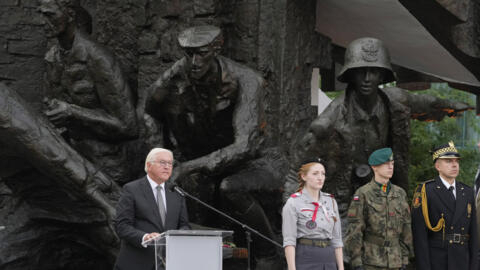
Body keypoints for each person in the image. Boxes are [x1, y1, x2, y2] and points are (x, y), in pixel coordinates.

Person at [285, 37, 472, 217]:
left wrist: (451, 105)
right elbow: (295, 172)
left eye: (373, 72)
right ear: (351, 75)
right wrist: (293, 215)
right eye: (360, 72)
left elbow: (426, 103)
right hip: (342, 204)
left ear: (382, 75)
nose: (367, 78)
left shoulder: (396, 102)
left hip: (385, 199)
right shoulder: (327, 123)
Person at [142, 25, 283, 263]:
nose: (194, 61)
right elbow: (149, 112)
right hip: (202, 162)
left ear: (216, 49)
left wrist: (188, 167)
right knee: (184, 199)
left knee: (230, 187)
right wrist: (162, 156)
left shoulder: (247, 80)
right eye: (188, 54)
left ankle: (269, 252)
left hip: (253, 163)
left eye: (202, 53)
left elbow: (244, 146)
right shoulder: (174, 76)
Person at [39, 0, 138, 184]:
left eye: (50, 14)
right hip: (71, 164)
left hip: (107, 168)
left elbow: (128, 126)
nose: (42, 21)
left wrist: (72, 112)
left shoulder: (99, 58)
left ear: (70, 14)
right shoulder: (52, 57)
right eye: (42, 14)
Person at [114, 148, 190, 270]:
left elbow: (184, 225)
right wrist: (145, 237)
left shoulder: (176, 192)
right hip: (137, 263)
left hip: (168, 263)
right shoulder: (132, 189)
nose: (167, 167)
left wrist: (180, 233)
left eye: (170, 163)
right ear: (149, 165)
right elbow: (122, 226)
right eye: (162, 162)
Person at [411, 141, 478, 270]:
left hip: (462, 261)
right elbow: (420, 236)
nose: (454, 165)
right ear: (437, 166)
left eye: (456, 161)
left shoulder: (467, 192)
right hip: (438, 260)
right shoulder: (426, 191)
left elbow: (473, 235)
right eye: (448, 161)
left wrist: (474, 265)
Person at [345, 147, 412, 270]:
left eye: (392, 164)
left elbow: (405, 227)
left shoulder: (400, 193)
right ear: (374, 167)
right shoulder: (363, 193)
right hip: (371, 260)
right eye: (386, 164)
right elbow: (355, 229)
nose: (391, 167)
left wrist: (404, 257)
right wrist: (356, 260)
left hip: (395, 260)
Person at [282, 159, 344, 270]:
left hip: (329, 258)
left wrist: (341, 267)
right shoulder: (293, 202)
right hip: (306, 257)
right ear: (304, 176)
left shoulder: (331, 201)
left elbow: (337, 239)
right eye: (315, 174)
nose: (320, 177)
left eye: (323, 174)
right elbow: (289, 241)